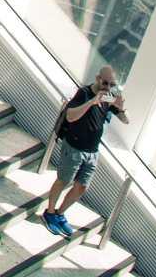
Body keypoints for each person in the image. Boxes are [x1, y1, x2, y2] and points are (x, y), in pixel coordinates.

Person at [41, 65, 129, 238]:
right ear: (97, 79)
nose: (108, 87)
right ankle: (49, 212)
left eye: (112, 85)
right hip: (74, 147)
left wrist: (121, 108)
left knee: (82, 186)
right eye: (105, 83)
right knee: (63, 180)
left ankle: (60, 213)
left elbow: (126, 120)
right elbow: (70, 116)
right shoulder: (84, 93)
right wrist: (91, 102)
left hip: (92, 151)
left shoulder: (108, 97)